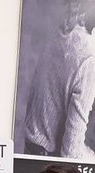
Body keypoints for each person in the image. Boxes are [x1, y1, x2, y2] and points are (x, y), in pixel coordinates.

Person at [23, 0, 95, 160]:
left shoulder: (61, 33)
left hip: (30, 152)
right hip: (51, 165)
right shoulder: (88, 59)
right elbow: (71, 153)